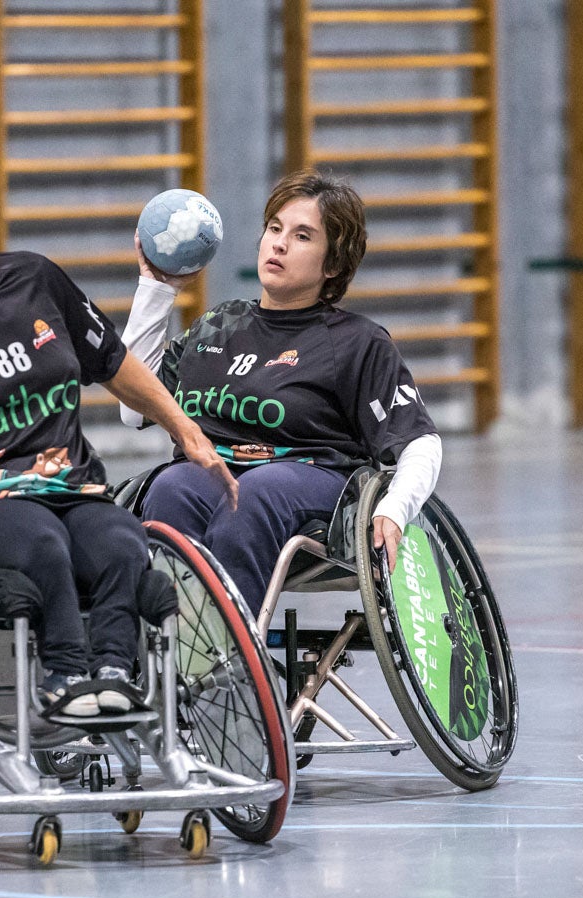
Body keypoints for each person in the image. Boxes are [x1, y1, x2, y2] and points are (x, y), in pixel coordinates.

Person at [0, 139, 236, 717]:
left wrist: (183, 428)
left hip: (70, 487)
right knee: (40, 541)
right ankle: (64, 674)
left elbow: (112, 362)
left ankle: (114, 673)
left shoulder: (35, 280)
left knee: (123, 540)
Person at [118, 168, 442, 615]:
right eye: (274, 229)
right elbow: (133, 410)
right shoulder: (219, 325)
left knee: (256, 493)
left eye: (302, 236)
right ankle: (176, 650)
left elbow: (420, 440)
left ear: (333, 264)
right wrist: (156, 288)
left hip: (311, 481)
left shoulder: (357, 342)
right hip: (216, 469)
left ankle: (232, 662)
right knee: (172, 487)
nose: (279, 243)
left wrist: (397, 507)